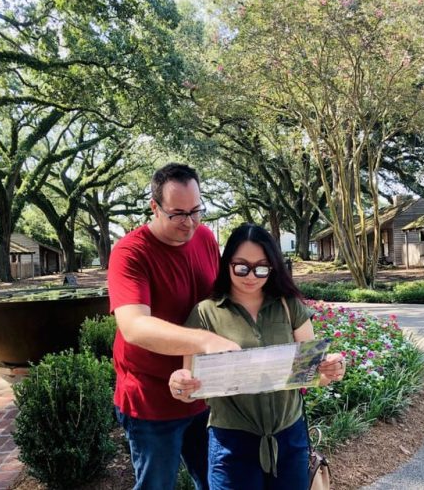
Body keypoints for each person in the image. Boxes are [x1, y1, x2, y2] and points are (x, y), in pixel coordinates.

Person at [169, 223, 346, 490]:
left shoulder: (289, 306)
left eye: (261, 268)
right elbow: (189, 387)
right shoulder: (206, 313)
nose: (251, 276)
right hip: (232, 444)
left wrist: (331, 369)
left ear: (273, 267)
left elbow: (314, 375)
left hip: (289, 438)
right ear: (227, 263)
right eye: (241, 266)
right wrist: (180, 383)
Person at [108, 163, 240, 490]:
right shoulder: (129, 252)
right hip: (151, 400)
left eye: (197, 210)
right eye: (178, 214)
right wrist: (205, 341)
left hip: (202, 391)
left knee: (216, 482)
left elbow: (221, 300)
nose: (190, 222)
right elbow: (134, 327)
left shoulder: (206, 238)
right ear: (154, 207)